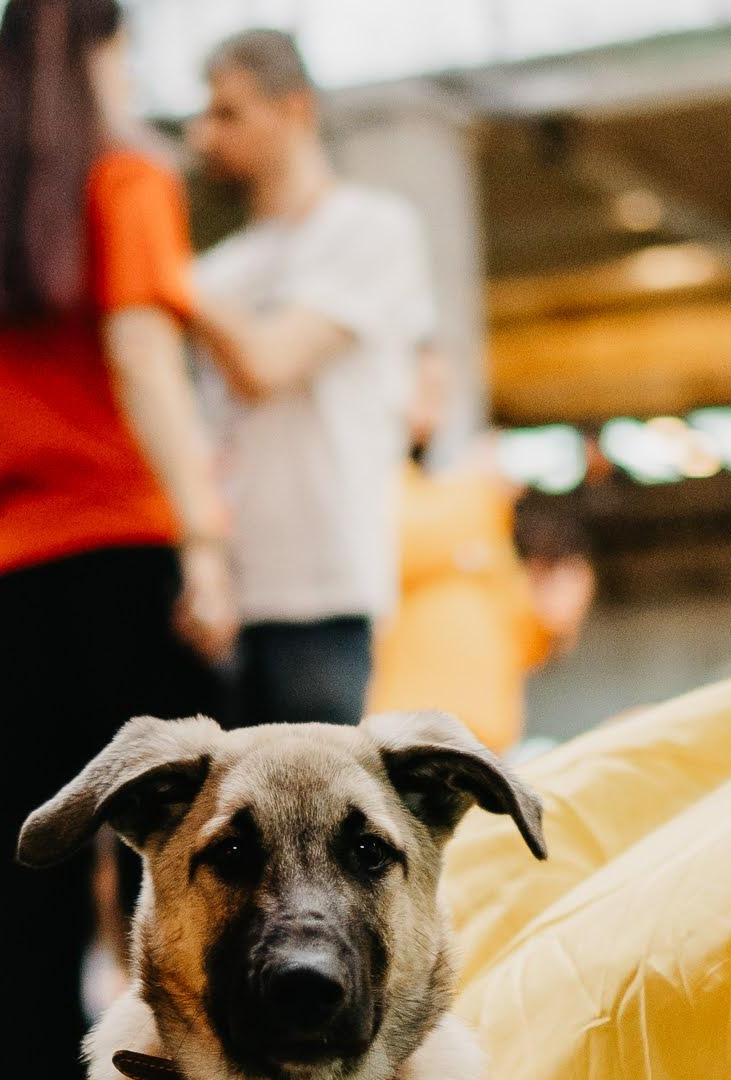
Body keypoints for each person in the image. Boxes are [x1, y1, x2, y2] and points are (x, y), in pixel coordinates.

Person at [0, 0, 231, 1080]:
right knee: (195, 845)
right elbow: (144, 354)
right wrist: (206, 535)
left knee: (6, 882)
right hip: (127, 554)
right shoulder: (125, 179)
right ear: (103, 48)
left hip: (8, 577)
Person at [188, 28, 436, 726]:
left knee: (314, 823)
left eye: (228, 113)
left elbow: (268, 363)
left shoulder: (372, 230)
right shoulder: (216, 271)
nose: (206, 136)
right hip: (226, 599)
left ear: (294, 109)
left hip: (325, 588)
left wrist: (158, 270)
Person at [367, 346, 596, 752]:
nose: (435, 408)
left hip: (487, 744)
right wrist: (476, 490)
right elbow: (392, 545)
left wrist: (550, 622)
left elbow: (510, 629)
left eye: (441, 393)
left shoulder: (470, 507)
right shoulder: (392, 482)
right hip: (406, 738)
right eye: (425, 388)